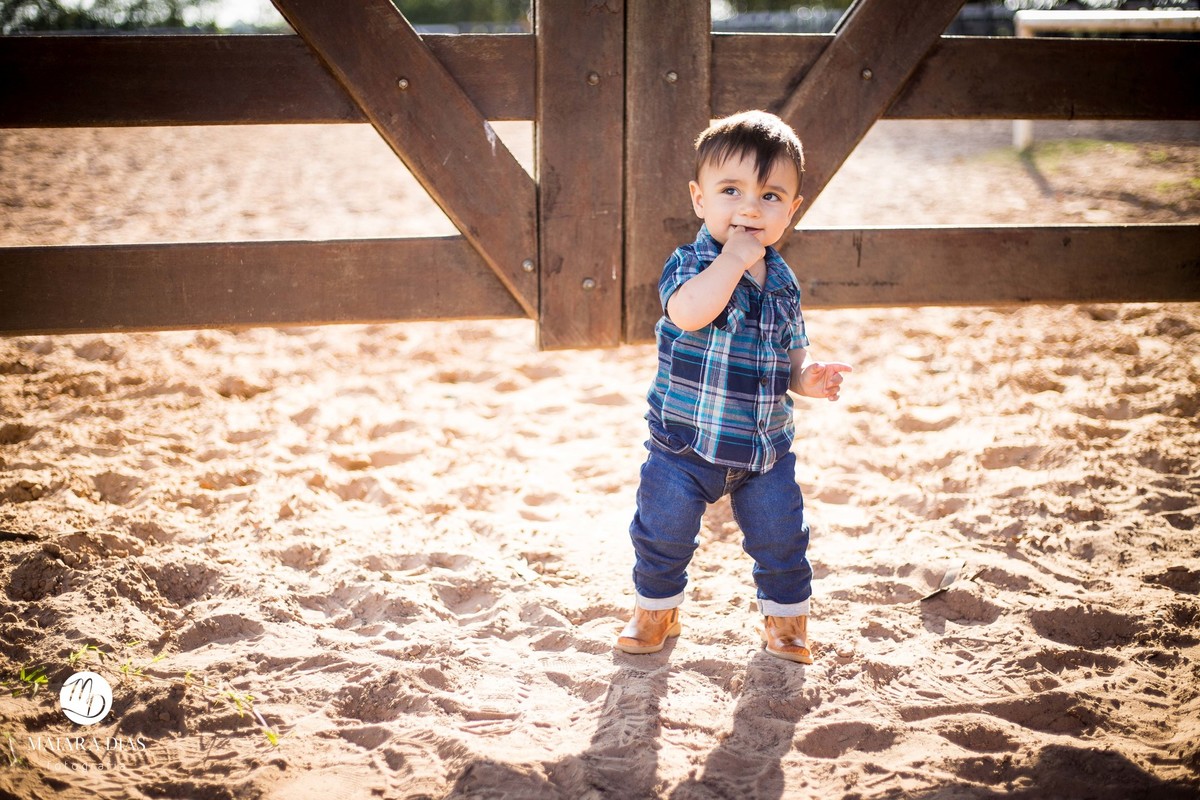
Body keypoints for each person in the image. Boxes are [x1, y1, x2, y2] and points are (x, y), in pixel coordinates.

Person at [616, 110, 852, 664]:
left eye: (771, 196)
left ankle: (787, 622)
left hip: (763, 450)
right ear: (700, 199)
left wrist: (809, 378)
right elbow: (690, 313)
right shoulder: (691, 264)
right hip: (684, 445)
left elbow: (792, 349)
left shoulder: (784, 280)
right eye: (731, 190)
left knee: (782, 538)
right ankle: (656, 610)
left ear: (791, 211)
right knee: (662, 534)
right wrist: (733, 259)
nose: (750, 207)